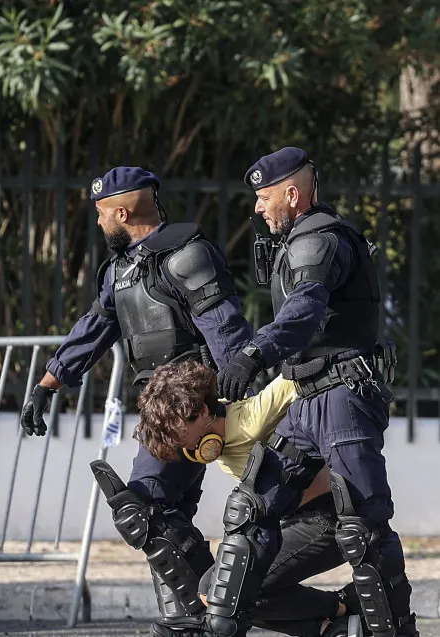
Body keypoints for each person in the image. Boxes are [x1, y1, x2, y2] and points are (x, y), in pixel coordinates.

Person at [20, 166, 253, 633]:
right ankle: (200, 613)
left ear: (122, 211)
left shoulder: (187, 256)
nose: (99, 223)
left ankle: (197, 614)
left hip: (190, 404)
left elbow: (224, 329)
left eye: (102, 213)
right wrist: (47, 384)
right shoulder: (120, 270)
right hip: (157, 407)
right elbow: (93, 330)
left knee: (143, 508)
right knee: (164, 513)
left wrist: (239, 401)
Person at [198, 147, 414, 637]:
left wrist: (253, 354)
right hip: (303, 398)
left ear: (291, 194)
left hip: (342, 397)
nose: (257, 207)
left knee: (365, 526)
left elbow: (305, 310)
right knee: (249, 510)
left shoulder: (319, 241)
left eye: (264, 196)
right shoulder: (297, 239)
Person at [133, 360, 361, 637]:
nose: (173, 441)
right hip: (287, 521)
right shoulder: (215, 428)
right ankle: (329, 627)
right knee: (215, 592)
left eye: (175, 429)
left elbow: (296, 378)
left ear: (203, 412)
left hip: (327, 520)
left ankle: (344, 607)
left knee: (226, 593)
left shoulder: (251, 418)